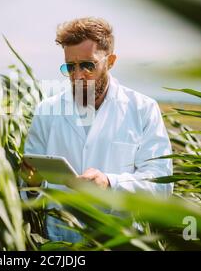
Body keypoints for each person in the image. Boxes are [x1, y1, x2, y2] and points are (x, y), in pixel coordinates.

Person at [20, 17, 173, 243]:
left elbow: (162, 185)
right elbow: (29, 189)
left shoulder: (143, 109)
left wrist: (110, 183)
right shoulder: (47, 111)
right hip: (60, 243)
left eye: (88, 65)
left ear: (110, 61)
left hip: (121, 242)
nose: (78, 75)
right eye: (70, 67)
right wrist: (30, 183)